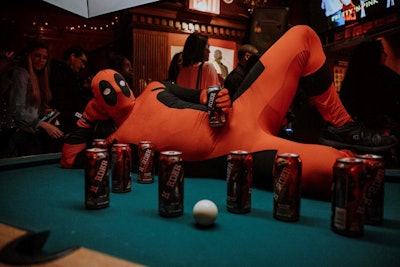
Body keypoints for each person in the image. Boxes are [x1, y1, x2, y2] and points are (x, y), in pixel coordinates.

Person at [61, 25, 397, 201]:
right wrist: (88, 117)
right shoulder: (116, 143)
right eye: (107, 91)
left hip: (242, 110)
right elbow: (70, 157)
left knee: (303, 38)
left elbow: (201, 93)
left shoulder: (153, 89)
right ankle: (343, 146)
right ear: (99, 102)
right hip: (241, 151)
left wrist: (218, 97)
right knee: (352, 171)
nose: (118, 89)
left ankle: (342, 124)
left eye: (118, 81)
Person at [339, 39, 400, 150]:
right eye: (382, 52)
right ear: (374, 55)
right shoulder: (386, 77)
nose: (385, 55)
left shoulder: (352, 78)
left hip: (356, 139)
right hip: (383, 139)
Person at [6, 38, 64, 156]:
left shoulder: (38, 76)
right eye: (37, 56)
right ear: (29, 56)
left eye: (44, 57)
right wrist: (43, 124)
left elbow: (29, 107)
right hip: (17, 135)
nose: (41, 60)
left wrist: (44, 111)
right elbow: (17, 110)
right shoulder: (21, 74)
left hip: (29, 133)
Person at [49, 45, 91, 135]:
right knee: (85, 120)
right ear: (72, 56)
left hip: (71, 115)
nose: (83, 66)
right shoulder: (60, 72)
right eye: (82, 61)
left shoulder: (72, 75)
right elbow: (68, 101)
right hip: (65, 117)